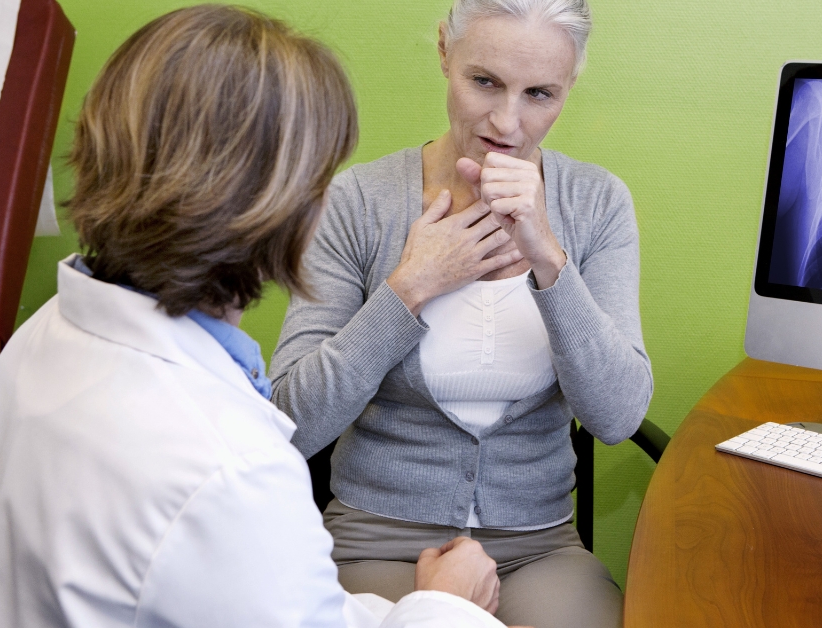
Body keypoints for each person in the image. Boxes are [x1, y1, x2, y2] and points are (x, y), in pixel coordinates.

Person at [0, 6, 519, 627]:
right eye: (318, 177)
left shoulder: (39, 340)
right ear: (270, 205)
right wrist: (445, 607)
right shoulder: (228, 469)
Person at [269, 1, 653, 626]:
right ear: (445, 51)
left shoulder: (597, 203)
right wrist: (409, 288)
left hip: (537, 546)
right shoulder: (356, 202)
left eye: (539, 94)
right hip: (377, 537)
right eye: (484, 82)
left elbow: (618, 416)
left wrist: (549, 260)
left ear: (569, 87)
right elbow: (290, 420)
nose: (507, 121)